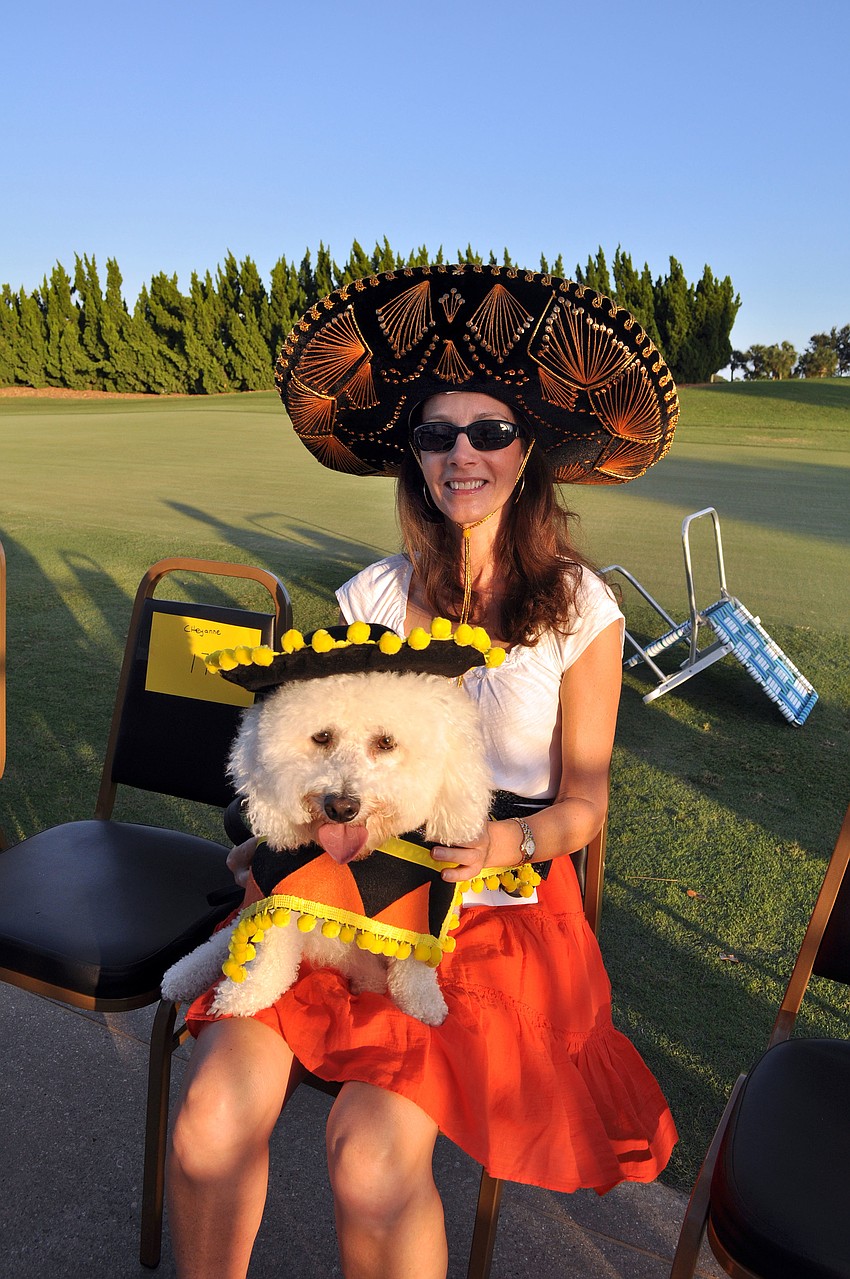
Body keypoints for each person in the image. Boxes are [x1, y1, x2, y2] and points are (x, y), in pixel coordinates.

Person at [166, 265, 680, 1279]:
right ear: (415, 457)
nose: (462, 453)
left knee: (366, 1159)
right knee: (211, 1115)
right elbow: (326, 750)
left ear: (529, 450)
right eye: (438, 433)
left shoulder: (583, 609)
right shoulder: (373, 592)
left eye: (489, 430)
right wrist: (276, 837)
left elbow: (584, 800)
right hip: (350, 873)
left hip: (503, 897)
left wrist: (504, 838)